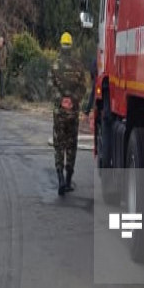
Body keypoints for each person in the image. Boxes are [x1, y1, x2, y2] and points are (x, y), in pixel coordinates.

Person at [51, 32, 86, 195]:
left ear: (60, 45)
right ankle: (68, 179)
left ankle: (60, 179)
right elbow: (83, 88)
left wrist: (61, 100)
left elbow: (50, 87)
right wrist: (72, 100)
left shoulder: (55, 65)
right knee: (71, 146)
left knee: (59, 145)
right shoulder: (78, 66)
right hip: (72, 113)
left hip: (59, 113)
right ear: (71, 46)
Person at [0, 36, 8, 100]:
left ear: (2, 42)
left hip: (2, 68)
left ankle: (2, 96)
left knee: (2, 82)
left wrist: (0, 64)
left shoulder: (4, 48)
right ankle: (0, 95)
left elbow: (4, 58)